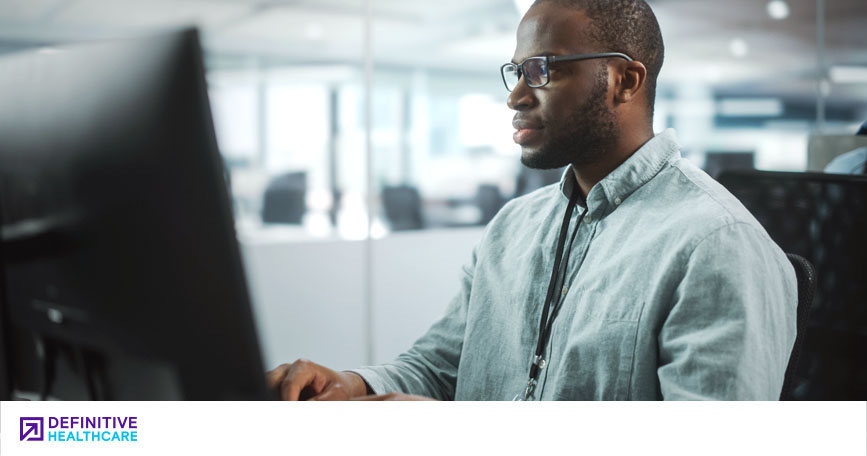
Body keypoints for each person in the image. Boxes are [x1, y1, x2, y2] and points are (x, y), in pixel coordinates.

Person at [267, 0, 797, 400]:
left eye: (544, 69)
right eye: (517, 71)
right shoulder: (513, 228)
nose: (516, 96)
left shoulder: (718, 245)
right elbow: (440, 366)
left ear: (624, 80)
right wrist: (351, 384)